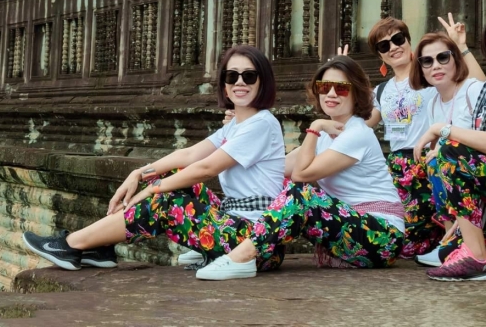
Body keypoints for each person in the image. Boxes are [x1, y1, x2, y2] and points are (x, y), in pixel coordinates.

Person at [22, 45, 286, 272]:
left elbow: (206, 168)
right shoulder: (237, 124)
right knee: (170, 175)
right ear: (224, 85)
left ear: (262, 82)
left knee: (166, 201)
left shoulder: (262, 124)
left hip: (256, 242)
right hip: (234, 225)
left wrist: (152, 190)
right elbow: (189, 155)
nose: (240, 82)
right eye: (232, 75)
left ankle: (72, 244)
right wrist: (139, 174)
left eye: (249, 76)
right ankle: (100, 247)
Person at [196, 55, 405, 280]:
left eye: (341, 88)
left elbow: (300, 175)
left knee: (300, 194)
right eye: (324, 87)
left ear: (356, 94)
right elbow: (277, 169)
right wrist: (242, 130)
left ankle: (243, 256)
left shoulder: (357, 134)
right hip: (353, 231)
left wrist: (315, 127)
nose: (331, 94)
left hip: (382, 237)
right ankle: (227, 244)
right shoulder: (327, 135)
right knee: (281, 187)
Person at [365, 15, 482, 266]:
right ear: (379, 55)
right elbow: (363, 125)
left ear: (409, 41)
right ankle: (452, 244)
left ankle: (459, 246)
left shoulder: (433, 79)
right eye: (384, 45)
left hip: (427, 160)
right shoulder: (382, 90)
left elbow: (479, 89)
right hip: (399, 167)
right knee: (401, 241)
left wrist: (461, 47)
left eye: (398, 39)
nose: (393, 47)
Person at [411, 31, 486, 280]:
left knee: (449, 150)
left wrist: (442, 129)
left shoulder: (474, 90)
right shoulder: (433, 102)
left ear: (455, 59)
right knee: (434, 159)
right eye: (427, 61)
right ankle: (454, 240)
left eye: (443, 57)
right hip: (469, 184)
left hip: (479, 179)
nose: (436, 65)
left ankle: (476, 256)